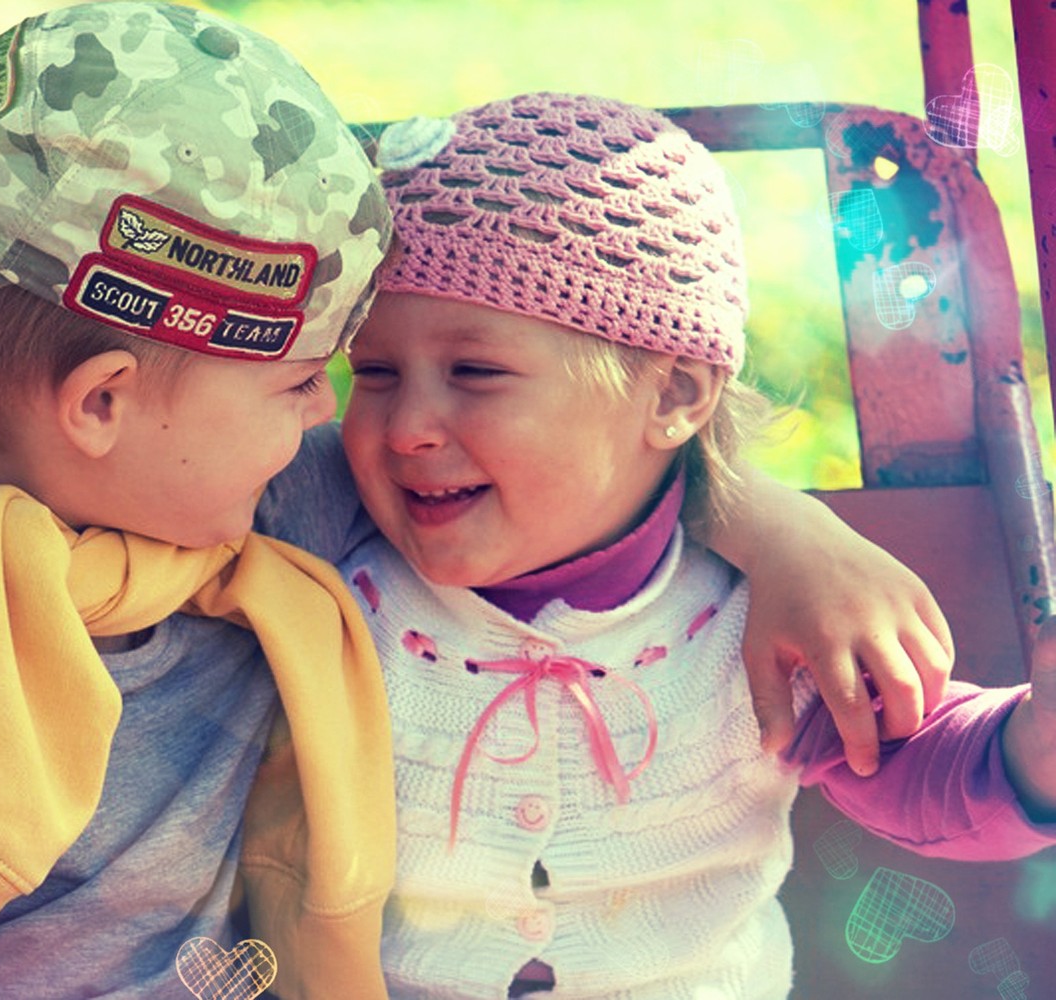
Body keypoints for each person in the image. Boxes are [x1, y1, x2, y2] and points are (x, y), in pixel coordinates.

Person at [0, 7, 950, 995]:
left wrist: (782, 525)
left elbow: (592, 466)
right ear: (102, 407)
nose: (356, 434)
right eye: (309, 386)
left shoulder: (232, 506)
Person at [314, 91, 1056, 999]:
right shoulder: (326, 585)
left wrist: (1034, 748)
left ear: (673, 398)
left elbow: (914, 759)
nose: (406, 428)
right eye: (374, 373)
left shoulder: (755, 618)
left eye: (476, 373)